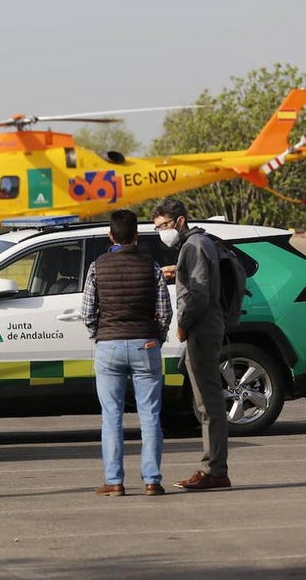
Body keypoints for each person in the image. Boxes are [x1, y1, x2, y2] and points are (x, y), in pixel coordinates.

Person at [80, 209, 172, 496]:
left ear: (110, 236)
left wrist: (100, 333)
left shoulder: (97, 266)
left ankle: (115, 480)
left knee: (111, 416)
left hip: (109, 346)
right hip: (145, 345)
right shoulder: (151, 266)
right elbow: (165, 311)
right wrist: (157, 336)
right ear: (136, 236)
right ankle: (152, 480)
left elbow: (86, 312)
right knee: (150, 415)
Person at [152, 197, 231, 491]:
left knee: (208, 402)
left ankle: (215, 470)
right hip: (206, 325)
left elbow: (198, 294)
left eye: (164, 226)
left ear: (180, 221)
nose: (162, 232)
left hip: (202, 326)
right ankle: (214, 467)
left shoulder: (195, 245)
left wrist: (182, 325)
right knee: (205, 401)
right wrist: (179, 269)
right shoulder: (196, 244)